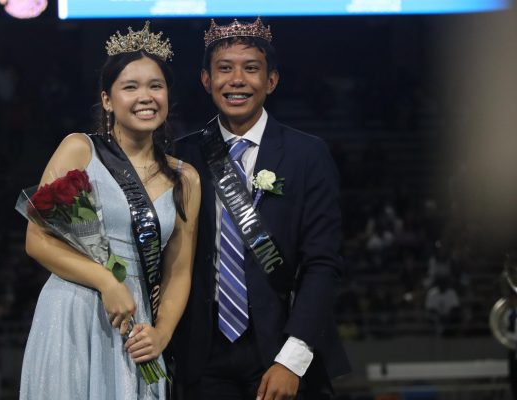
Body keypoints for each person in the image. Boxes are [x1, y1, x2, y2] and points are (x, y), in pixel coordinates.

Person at [19, 21, 200, 400]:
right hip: (73, 307)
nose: (145, 96)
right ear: (107, 99)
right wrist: (105, 282)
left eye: (156, 85)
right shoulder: (78, 149)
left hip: (137, 328)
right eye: (130, 87)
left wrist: (161, 334)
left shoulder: (186, 178)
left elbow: (179, 272)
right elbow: (37, 241)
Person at [173, 18, 350, 400]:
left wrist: (293, 358)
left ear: (271, 81)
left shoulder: (308, 155)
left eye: (251, 68)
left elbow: (323, 263)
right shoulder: (180, 156)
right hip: (201, 355)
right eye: (224, 68)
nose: (237, 80)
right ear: (206, 79)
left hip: (280, 346)